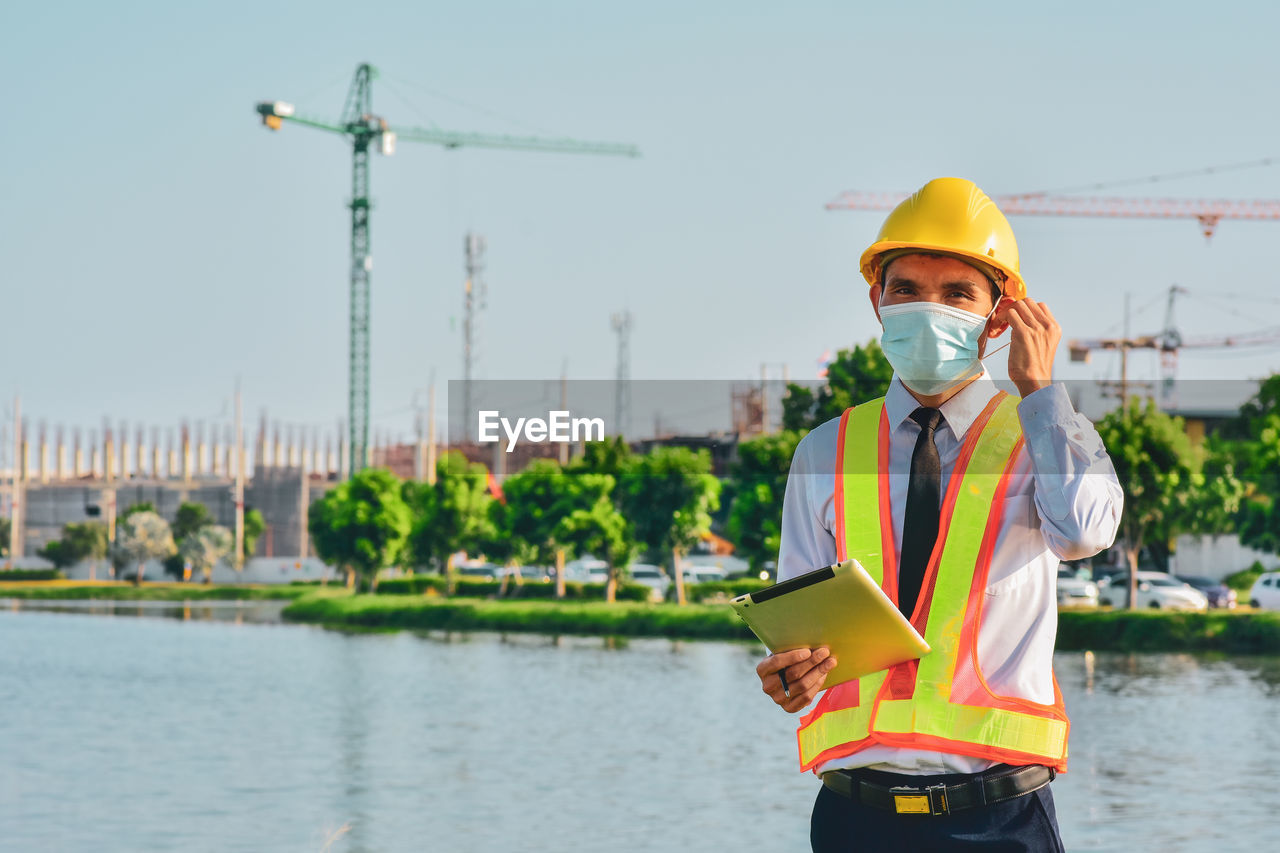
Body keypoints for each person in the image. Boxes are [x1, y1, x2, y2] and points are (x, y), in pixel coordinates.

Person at [755, 177, 1123, 852]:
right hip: (852, 818)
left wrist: (1041, 392)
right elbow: (799, 637)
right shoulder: (823, 452)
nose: (928, 309)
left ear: (1000, 315)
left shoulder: (1046, 436)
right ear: (877, 300)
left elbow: (1083, 532)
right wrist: (790, 673)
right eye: (907, 289)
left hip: (1000, 818)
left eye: (957, 293)